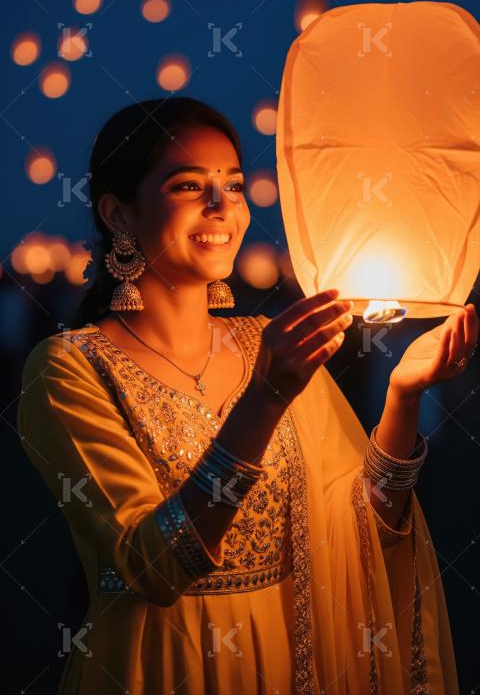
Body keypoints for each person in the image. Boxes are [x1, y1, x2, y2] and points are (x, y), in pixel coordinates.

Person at [17, 96, 476, 694]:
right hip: (160, 668)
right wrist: (262, 400)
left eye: (233, 186)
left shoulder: (266, 343)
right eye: (188, 186)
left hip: (289, 662)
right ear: (118, 214)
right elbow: (155, 565)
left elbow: (364, 530)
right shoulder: (68, 371)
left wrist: (402, 396)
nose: (221, 207)